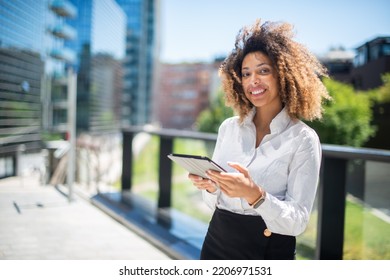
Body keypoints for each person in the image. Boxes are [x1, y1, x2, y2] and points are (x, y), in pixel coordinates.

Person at [188, 19, 331, 260]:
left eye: (263, 70)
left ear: (283, 75)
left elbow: (297, 222)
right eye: (246, 73)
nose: (253, 80)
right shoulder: (228, 129)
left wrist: (256, 195)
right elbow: (215, 204)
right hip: (216, 242)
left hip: (267, 251)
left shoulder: (303, 139)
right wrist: (211, 187)